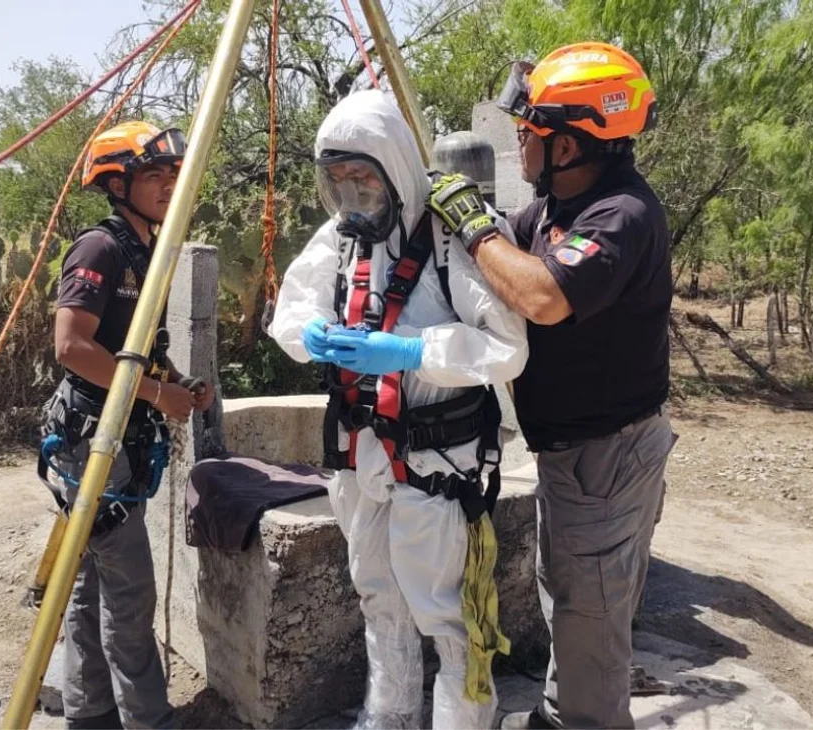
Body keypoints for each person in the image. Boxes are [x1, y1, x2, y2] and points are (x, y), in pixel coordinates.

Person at [426, 43, 678, 729]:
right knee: (571, 599)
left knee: (590, 620)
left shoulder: (620, 214)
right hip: (578, 456)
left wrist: (472, 226)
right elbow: (506, 253)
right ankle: (558, 714)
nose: (518, 137)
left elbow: (542, 297)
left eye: (529, 130)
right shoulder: (557, 207)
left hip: (607, 455)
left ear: (566, 145)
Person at [268, 89, 528, 730]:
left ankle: (466, 719)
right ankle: (389, 715)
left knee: (446, 612)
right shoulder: (342, 239)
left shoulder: (449, 242)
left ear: (395, 168)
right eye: (339, 180)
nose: (353, 193)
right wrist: (314, 336)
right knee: (378, 597)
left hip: (438, 463)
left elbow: (507, 347)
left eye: (364, 177)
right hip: (361, 462)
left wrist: (411, 350)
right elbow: (292, 313)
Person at [39, 120, 214, 730]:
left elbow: (130, 347)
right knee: (131, 593)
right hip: (94, 438)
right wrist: (155, 392)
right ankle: (149, 720)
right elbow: (71, 345)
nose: (169, 185)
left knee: (90, 590)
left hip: (119, 433)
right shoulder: (102, 248)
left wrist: (174, 386)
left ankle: (91, 715)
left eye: (173, 174)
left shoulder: (145, 248)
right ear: (117, 183)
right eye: (153, 175)